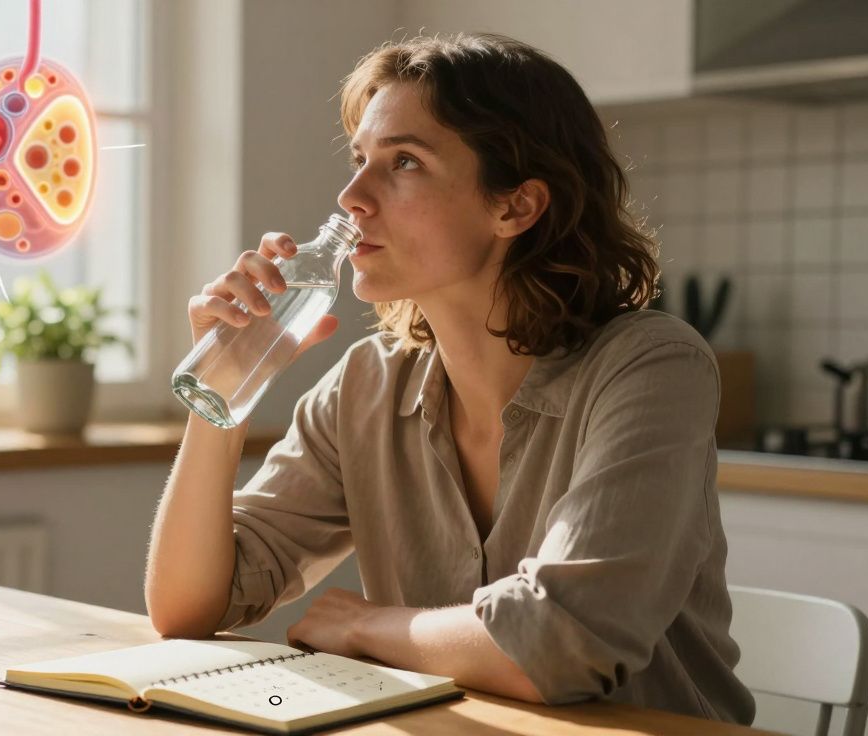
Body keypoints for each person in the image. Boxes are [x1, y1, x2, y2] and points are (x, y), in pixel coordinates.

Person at [144, 32, 755, 725]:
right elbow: (187, 605)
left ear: (515, 207)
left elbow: (564, 642)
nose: (351, 198)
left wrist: (367, 627)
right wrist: (224, 385)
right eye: (358, 161)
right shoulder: (367, 387)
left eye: (404, 161)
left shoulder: (649, 366)